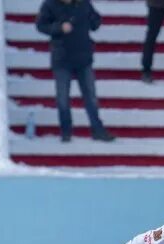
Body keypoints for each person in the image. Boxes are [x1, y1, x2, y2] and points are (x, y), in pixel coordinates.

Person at [36, 0, 115, 142]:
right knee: (63, 98)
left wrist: (94, 20)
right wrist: (59, 27)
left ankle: (97, 129)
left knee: (90, 96)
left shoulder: (83, 3)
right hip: (62, 58)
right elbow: (41, 26)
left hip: (83, 56)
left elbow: (95, 22)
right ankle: (66, 132)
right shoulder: (50, 4)